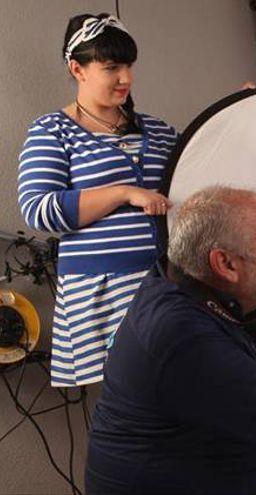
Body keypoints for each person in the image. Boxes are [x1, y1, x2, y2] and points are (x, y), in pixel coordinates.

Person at [85, 184, 256, 495]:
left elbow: (250, 298)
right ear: (226, 264)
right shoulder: (181, 335)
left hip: (211, 462)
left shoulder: (185, 275)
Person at [17, 13, 175, 387]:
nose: (126, 78)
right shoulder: (52, 131)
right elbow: (39, 209)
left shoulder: (157, 130)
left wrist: (238, 119)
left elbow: (202, 170)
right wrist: (122, 192)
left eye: (129, 66)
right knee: (143, 405)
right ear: (78, 69)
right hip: (105, 293)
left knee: (192, 396)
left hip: (171, 285)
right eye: (112, 68)